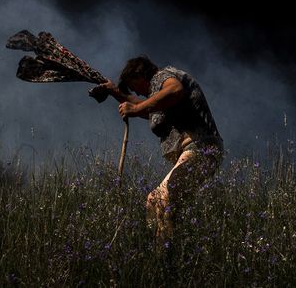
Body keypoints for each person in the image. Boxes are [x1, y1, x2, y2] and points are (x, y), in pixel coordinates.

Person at [94, 56, 224, 243]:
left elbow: (174, 90)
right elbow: (145, 106)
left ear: (140, 75)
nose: (136, 91)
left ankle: (165, 257)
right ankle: (156, 248)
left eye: (134, 85)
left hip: (201, 147)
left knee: (164, 199)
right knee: (154, 199)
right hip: (193, 150)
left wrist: (136, 109)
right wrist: (115, 92)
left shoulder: (162, 76)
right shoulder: (158, 96)